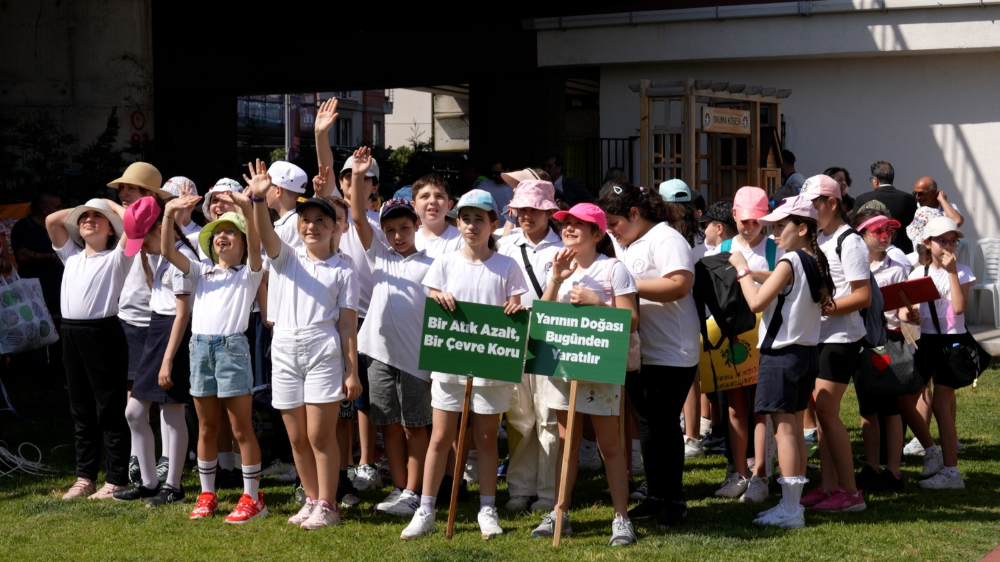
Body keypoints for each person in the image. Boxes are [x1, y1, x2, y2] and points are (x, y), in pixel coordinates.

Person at [400, 189, 528, 541]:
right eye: (466, 218)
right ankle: (425, 509)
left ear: (494, 224)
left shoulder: (507, 265)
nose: (472, 225)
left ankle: (488, 507)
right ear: (457, 223)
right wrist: (436, 296)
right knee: (440, 436)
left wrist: (515, 307)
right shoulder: (444, 262)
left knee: (486, 437)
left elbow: (514, 304)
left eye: (479, 219)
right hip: (450, 364)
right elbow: (432, 295)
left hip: (490, 365)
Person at [247, 158, 361, 530]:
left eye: (320, 221)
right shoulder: (287, 259)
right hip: (283, 347)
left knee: (319, 434)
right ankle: (312, 500)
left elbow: (347, 324)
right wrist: (260, 200)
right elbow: (265, 237)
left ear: (334, 228)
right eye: (306, 221)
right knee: (296, 436)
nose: (311, 226)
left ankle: (328, 504)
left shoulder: (344, 269)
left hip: (322, 349)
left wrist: (352, 371)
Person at [530, 202, 640, 546]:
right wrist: (555, 279)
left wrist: (597, 301)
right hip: (562, 366)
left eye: (580, 224)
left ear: (598, 234)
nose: (570, 228)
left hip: (600, 368)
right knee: (567, 443)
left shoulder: (614, 269)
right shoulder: (559, 266)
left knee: (610, 445)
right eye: (566, 223)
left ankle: (621, 517)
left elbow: (632, 320)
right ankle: (560, 511)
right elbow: (543, 316)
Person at [595, 182, 698, 528]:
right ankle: (656, 495)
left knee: (664, 426)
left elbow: (680, 284)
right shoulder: (626, 243)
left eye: (615, 224)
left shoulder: (666, 239)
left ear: (635, 214)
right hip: (640, 351)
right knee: (648, 427)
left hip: (672, 350)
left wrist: (627, 285)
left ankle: (674, 500)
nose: (612, 232)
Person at [161, 190, 267, 524]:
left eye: (231, 232)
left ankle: (252, 498)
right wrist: (168, 214)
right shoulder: (200, 272)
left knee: (240, 428)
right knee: (206, 427)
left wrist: (247, 209)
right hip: (200, 349)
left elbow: (258, 245)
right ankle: (207, 493)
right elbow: (166, 249)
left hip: (232, 350)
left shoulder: (249, 273)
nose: (222, 236)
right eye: (218, 232)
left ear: (244, 242)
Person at [730, 195, 834, 528]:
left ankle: (790, 510)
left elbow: (757, 302)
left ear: (802, 228)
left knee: (786, 431)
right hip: (805, 353)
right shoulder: (815, 259)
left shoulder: (790, 261)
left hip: (783, 355)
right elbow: (780, 282)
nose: (772, 232)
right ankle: (793, 506)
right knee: (792, 430)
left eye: (779, 226)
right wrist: (757, 273)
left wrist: (741, 268)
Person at [348, 149, 435, 519]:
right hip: (379, 355)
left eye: (404, 227)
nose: (398, 235)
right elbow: (355, 215)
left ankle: (416, 491)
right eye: (391, 229)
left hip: (417, 360)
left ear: (416, 225)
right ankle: (400, 487)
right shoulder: (378, 256)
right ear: (383, 232)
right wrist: (358, 175)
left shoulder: (433, 264)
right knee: (389, 426)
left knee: (416, 426)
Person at [47, 198, 133, 499]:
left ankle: (117, 479)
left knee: (109, 407)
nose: (89, 220)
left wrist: (110, 206)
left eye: (99, 218)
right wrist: (86, 205)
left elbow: (133, 225)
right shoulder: (71, 256)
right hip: (71, 333)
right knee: (81, 408)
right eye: (85, 217)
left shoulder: (117, 257)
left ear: (111, 229)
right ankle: (85, 477)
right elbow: (51, 222)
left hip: (102, 333)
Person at [113, 196, 197, 506]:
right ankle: (148, 482)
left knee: (172, 412)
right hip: (155, 329)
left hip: (172, 335)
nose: (142, 247)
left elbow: (183, 313)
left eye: (144, 239)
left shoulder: (181, 258)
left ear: (160, 229)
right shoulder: (161, 256)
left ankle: (173, 486)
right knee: (134, 412)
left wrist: (168, 360)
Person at [798, 174, 871, 513]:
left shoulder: (850, 241)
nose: (811, 212)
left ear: (832, 202)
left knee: (826, 411)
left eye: (815, 205)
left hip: (841, 338)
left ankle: (851, 492)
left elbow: (863, 296)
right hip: (820, 336)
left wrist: (823, 308)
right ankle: (830, 487)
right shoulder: (821, 238)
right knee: (825, 414)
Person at [711, 186, 783, 504]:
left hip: (766, 337)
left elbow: (783, 281)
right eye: (745, 221)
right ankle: (738, 472)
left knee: (761, 411)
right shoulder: (722, 246)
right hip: (732, 337)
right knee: (735, 408)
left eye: (756, 222)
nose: (750, 228)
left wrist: (748, 272)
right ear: (735, 217)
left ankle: (761, 475)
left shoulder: (774, 249)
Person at [496, 180, 563, 514]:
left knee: (549, 416)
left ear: (549, 211)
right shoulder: (505, 246)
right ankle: (520, 488)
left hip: (552, 340)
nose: (527, 215)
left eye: (534, 209)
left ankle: (549, 492)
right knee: (519, 415)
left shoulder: (564, 247)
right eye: (522, 209)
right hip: (514, 338)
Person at [900, 217, 975, 490]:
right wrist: (909, 314)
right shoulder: (917, 273)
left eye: (953, 240)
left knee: (942, 404)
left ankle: (952, 473)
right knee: (906, 397)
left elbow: (958, 308)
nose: (948, 245)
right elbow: (903, 311)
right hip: (927, 341)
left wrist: (953, 272)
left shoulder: (963, 271)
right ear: (927, 243)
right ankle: (931, 451)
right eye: (942, 240)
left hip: (952, 343)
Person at [850, 208, 908, 493]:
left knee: (890, 408)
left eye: (890, 231)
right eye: (878, 231)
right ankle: (871, 466)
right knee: (867, 408)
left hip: (890, 342)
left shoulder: (897, 268)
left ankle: (893, 471)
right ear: (861, 233)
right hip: (862, 343)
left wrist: (911, 315)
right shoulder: (852, 265)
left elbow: (907, 309)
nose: (885, 236)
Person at [851, 161, 917, 253]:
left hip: (872, 251)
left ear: (875, 180)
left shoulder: (862, 199)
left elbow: (855, 226)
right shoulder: (909, 199)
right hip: (902, 250)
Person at [906, 177, 964, 252]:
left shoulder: (949, 207)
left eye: (921, 194)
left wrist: (943, 201)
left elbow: (957, 221)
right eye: (915, 193)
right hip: (926, 256)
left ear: (933, 193)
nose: (917, 197)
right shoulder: (917, 209)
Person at [412, 174, 463, 257]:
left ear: (449, 205)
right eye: (425, 196)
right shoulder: (409, 238)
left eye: (439, 196)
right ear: (414, 206)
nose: (432, 201)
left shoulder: (461, 239)